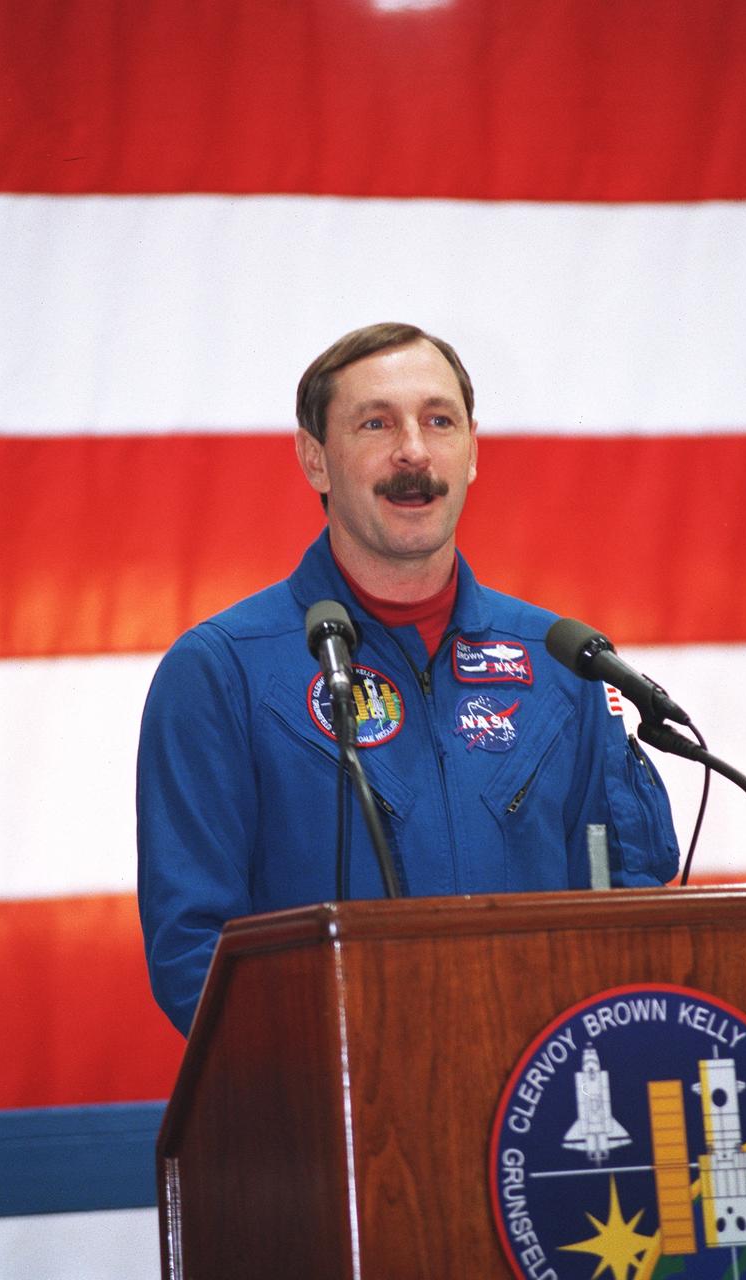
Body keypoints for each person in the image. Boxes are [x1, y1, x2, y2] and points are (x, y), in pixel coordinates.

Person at [137, 322, 679, 1036]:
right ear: (315, 460)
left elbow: (629, 903)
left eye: (438, 421)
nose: (414, 452)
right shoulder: (222, 671)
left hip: (536, 1109)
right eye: (375, 424)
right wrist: (354, 1080)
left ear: (473, 450)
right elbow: (193, 953)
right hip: (340, 1121)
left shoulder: (561, 663)